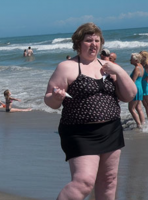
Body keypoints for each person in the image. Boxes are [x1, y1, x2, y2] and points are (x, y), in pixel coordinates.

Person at [44, 22, 136, 200]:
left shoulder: (108, 67)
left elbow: (129, 95)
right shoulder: (67, 67)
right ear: (79, 43)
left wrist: (118, 70)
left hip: (111, 130)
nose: (94, 44)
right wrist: (56, 97)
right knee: (84, 181)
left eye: (97, 40)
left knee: (109, 180)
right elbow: (50, 100)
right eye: (88, 40)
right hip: (79, 132)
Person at [128, 53, 146, 128]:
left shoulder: (136, 68)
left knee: (131, 108)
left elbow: (133, 81)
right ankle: (143, 123)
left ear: (135, 60)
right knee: (138, 107)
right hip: (140, 88)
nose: (130, 60)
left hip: (135, 88)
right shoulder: (141, 67)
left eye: (131, 59)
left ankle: (139, 124)